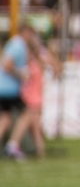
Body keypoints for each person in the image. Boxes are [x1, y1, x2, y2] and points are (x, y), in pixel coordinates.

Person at [6, 25, 60, 160]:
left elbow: (56, 66)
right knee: (29, 118)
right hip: (31, 92)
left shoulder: (33, 52)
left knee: (35, 123)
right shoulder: (27, 52)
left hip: (34, 91)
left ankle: (40, 152)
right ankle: (13, 144)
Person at [0, 27, 29, 158]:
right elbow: (7, 65)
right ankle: (13, 145)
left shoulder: (14, 43)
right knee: (27, 113)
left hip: (4, 88)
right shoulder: (18, 44)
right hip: (9, 89)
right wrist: (21, 75)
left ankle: (12, 145)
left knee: (6, 118)